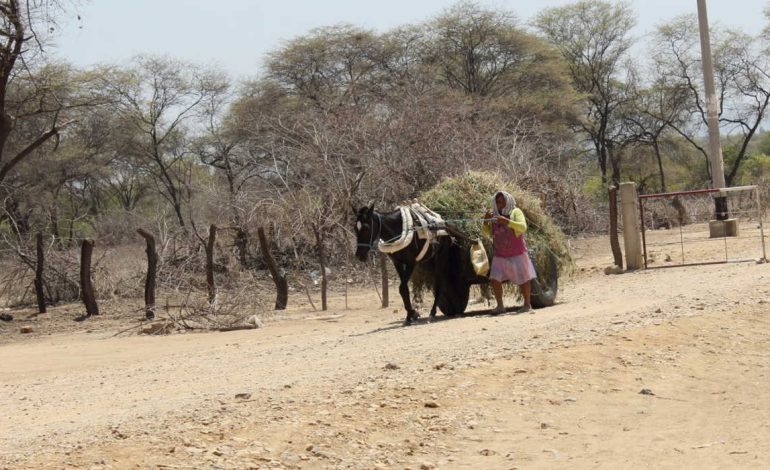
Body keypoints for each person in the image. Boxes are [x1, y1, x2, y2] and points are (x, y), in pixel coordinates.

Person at [483, 191, 537, 314]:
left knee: (524, 278)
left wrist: (507, 222)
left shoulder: (515, 212)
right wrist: (486, 221)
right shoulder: (494, 215)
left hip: (517, 252)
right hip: (500, 253)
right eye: (497, 202)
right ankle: (500, 306)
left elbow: (523, 227)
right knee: (495, 278)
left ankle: (527, 305)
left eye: (502, 201)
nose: (500, 204)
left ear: (508, 201)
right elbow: (486, 233)